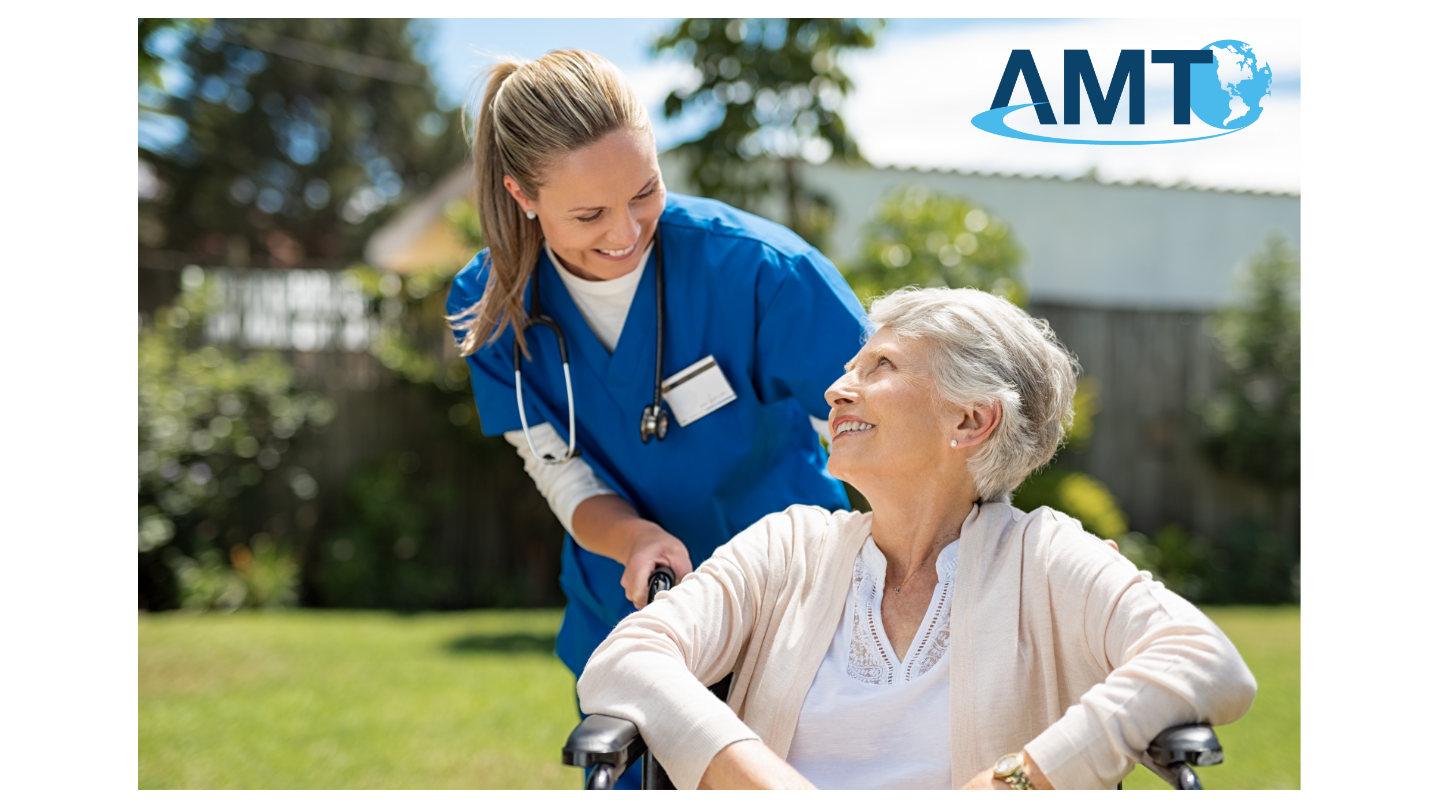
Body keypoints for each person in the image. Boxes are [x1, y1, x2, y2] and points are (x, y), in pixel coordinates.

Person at [577, 287, 1258, 790]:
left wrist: (1017, 783)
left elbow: (1207, 661)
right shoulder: (787, 547)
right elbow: (626, 659)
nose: (840, 389)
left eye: (880, 367)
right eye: (851, 368)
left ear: (969, 421)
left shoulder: (1046, 557)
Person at [445, 50, 869, 786]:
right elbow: (560, 472)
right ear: (521, 193)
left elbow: (891, 437)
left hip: (790, 617)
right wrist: (634, 537)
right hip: (632, 621)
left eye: (646, 191)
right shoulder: (490, 309)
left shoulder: (763, 273)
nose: (626, 231)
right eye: (588, 214)